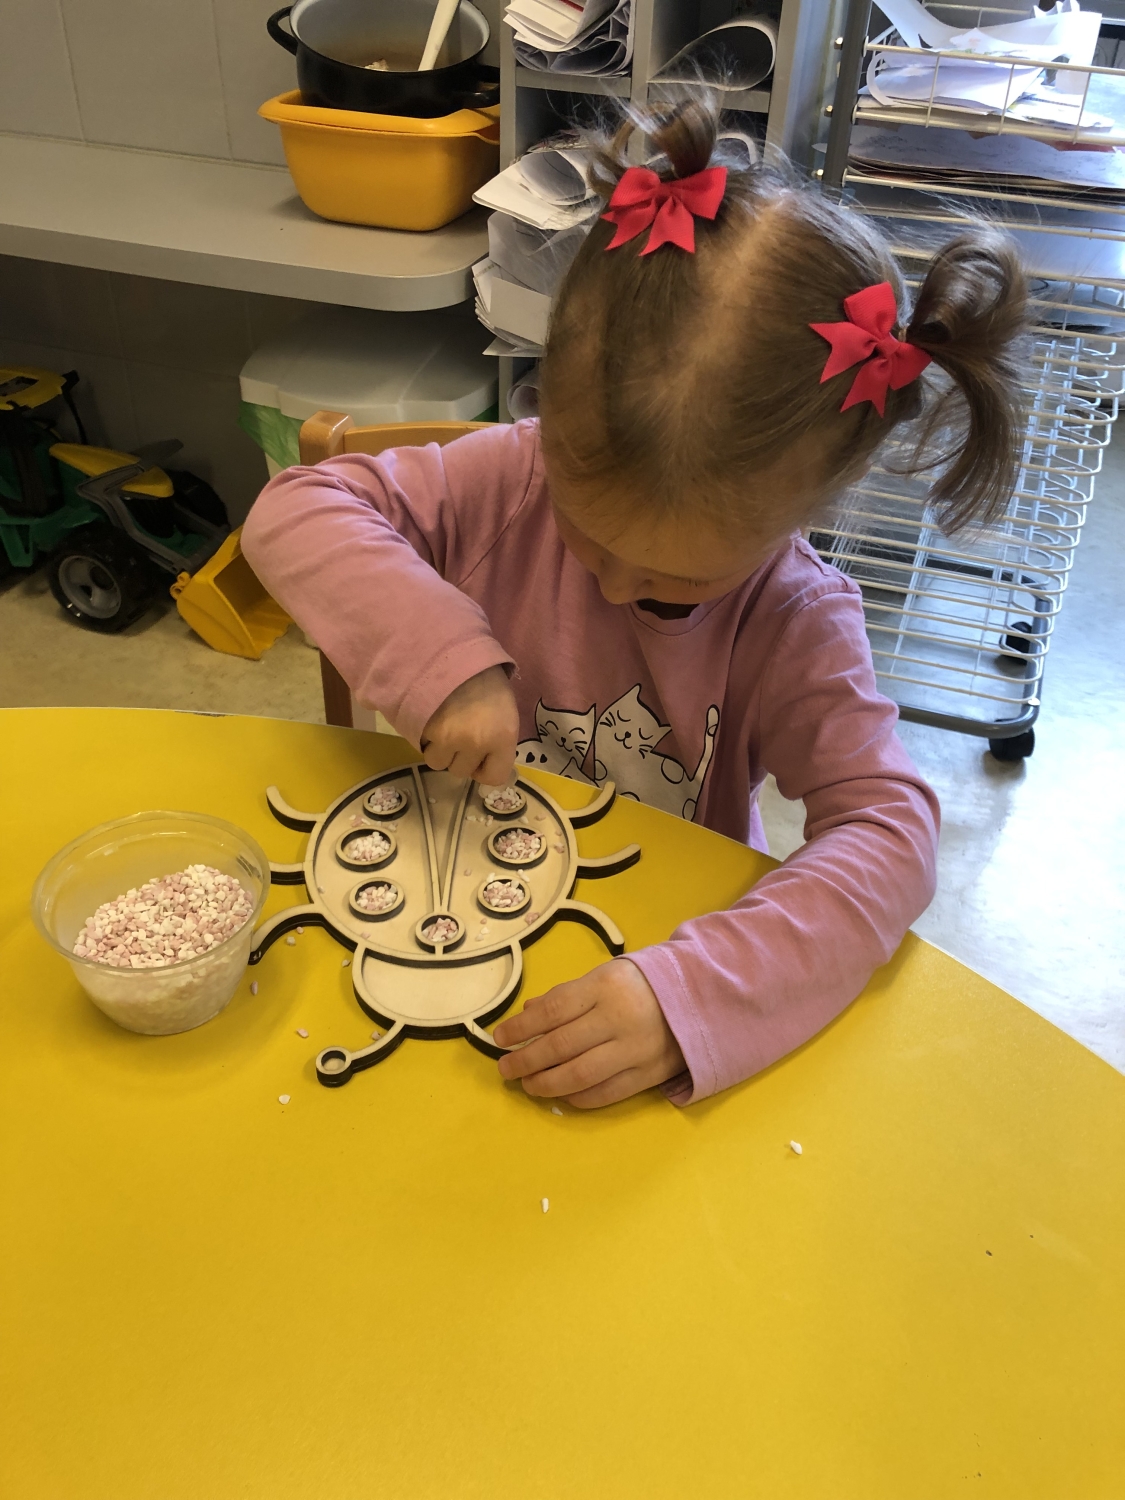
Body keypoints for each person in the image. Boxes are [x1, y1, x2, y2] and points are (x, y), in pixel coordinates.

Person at [241, 96, 1027, 1109]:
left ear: (802, 511)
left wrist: (695, 995)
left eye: (675, 579)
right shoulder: (510, 478)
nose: (612, 587)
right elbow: (297, 509)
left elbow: (890, 834)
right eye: (585, 527)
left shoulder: (796, 620)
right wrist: (444, 658)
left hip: (647, 964)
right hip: (440, 903)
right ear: (549, 407)